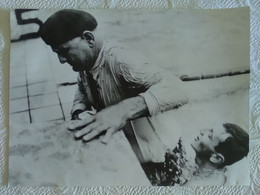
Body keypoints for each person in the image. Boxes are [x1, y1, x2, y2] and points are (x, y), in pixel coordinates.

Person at [39, 9, 188, 161]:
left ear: (89, 38)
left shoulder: (121, 59)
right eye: (57, 53)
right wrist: (79, 111)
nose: (61, 60)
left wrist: (122, 110)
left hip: (164, 156)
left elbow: (178, 88)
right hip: (130, 152)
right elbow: (82, 89)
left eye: (65, 51)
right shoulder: (87, 64)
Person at [142, 123, 249, 186]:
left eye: (209, 136)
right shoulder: (212, 169)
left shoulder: (197, 186)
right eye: (209, 130)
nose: (202, 131)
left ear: (216, 158)